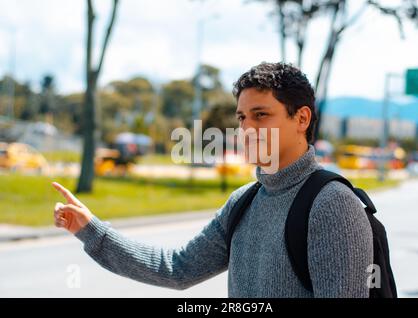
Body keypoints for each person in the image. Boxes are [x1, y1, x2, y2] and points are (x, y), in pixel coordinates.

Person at [52, 62, 373, 298]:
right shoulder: (243, 202)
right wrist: (90, 229)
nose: (246, 129)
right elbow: (176, 269)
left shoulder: (332, 204)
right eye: (242, 117)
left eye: (261, 115)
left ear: (301, 118)